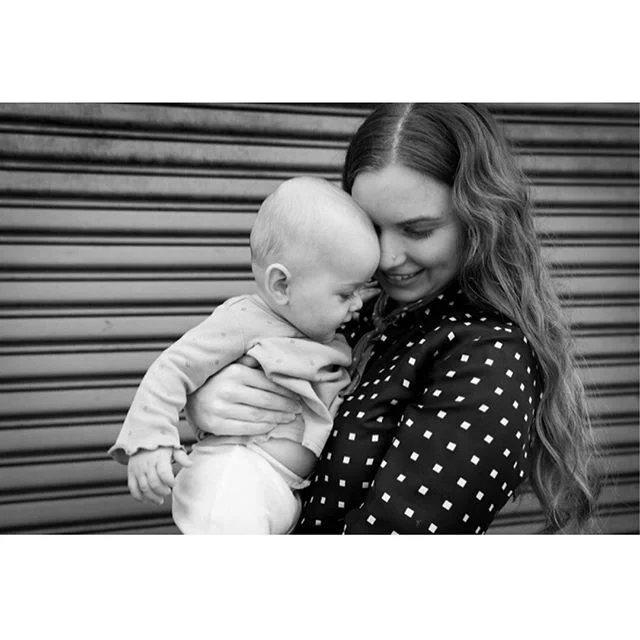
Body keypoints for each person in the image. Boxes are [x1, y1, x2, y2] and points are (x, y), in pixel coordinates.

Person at [185, 103, 601, 534]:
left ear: (480, 218)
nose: (386, 256)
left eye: (418, 230)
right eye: (370, 226)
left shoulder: (489, 357)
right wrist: (208, 400)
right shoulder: (356, 311)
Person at [109, 176, 380, 533]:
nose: (358, 304)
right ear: (282, 285)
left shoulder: (322, 330)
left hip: (280, 488)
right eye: (346, 294)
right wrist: (150, 442)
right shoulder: (244, 320)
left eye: (363, 289)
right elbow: (173, 367)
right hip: (234, 477)